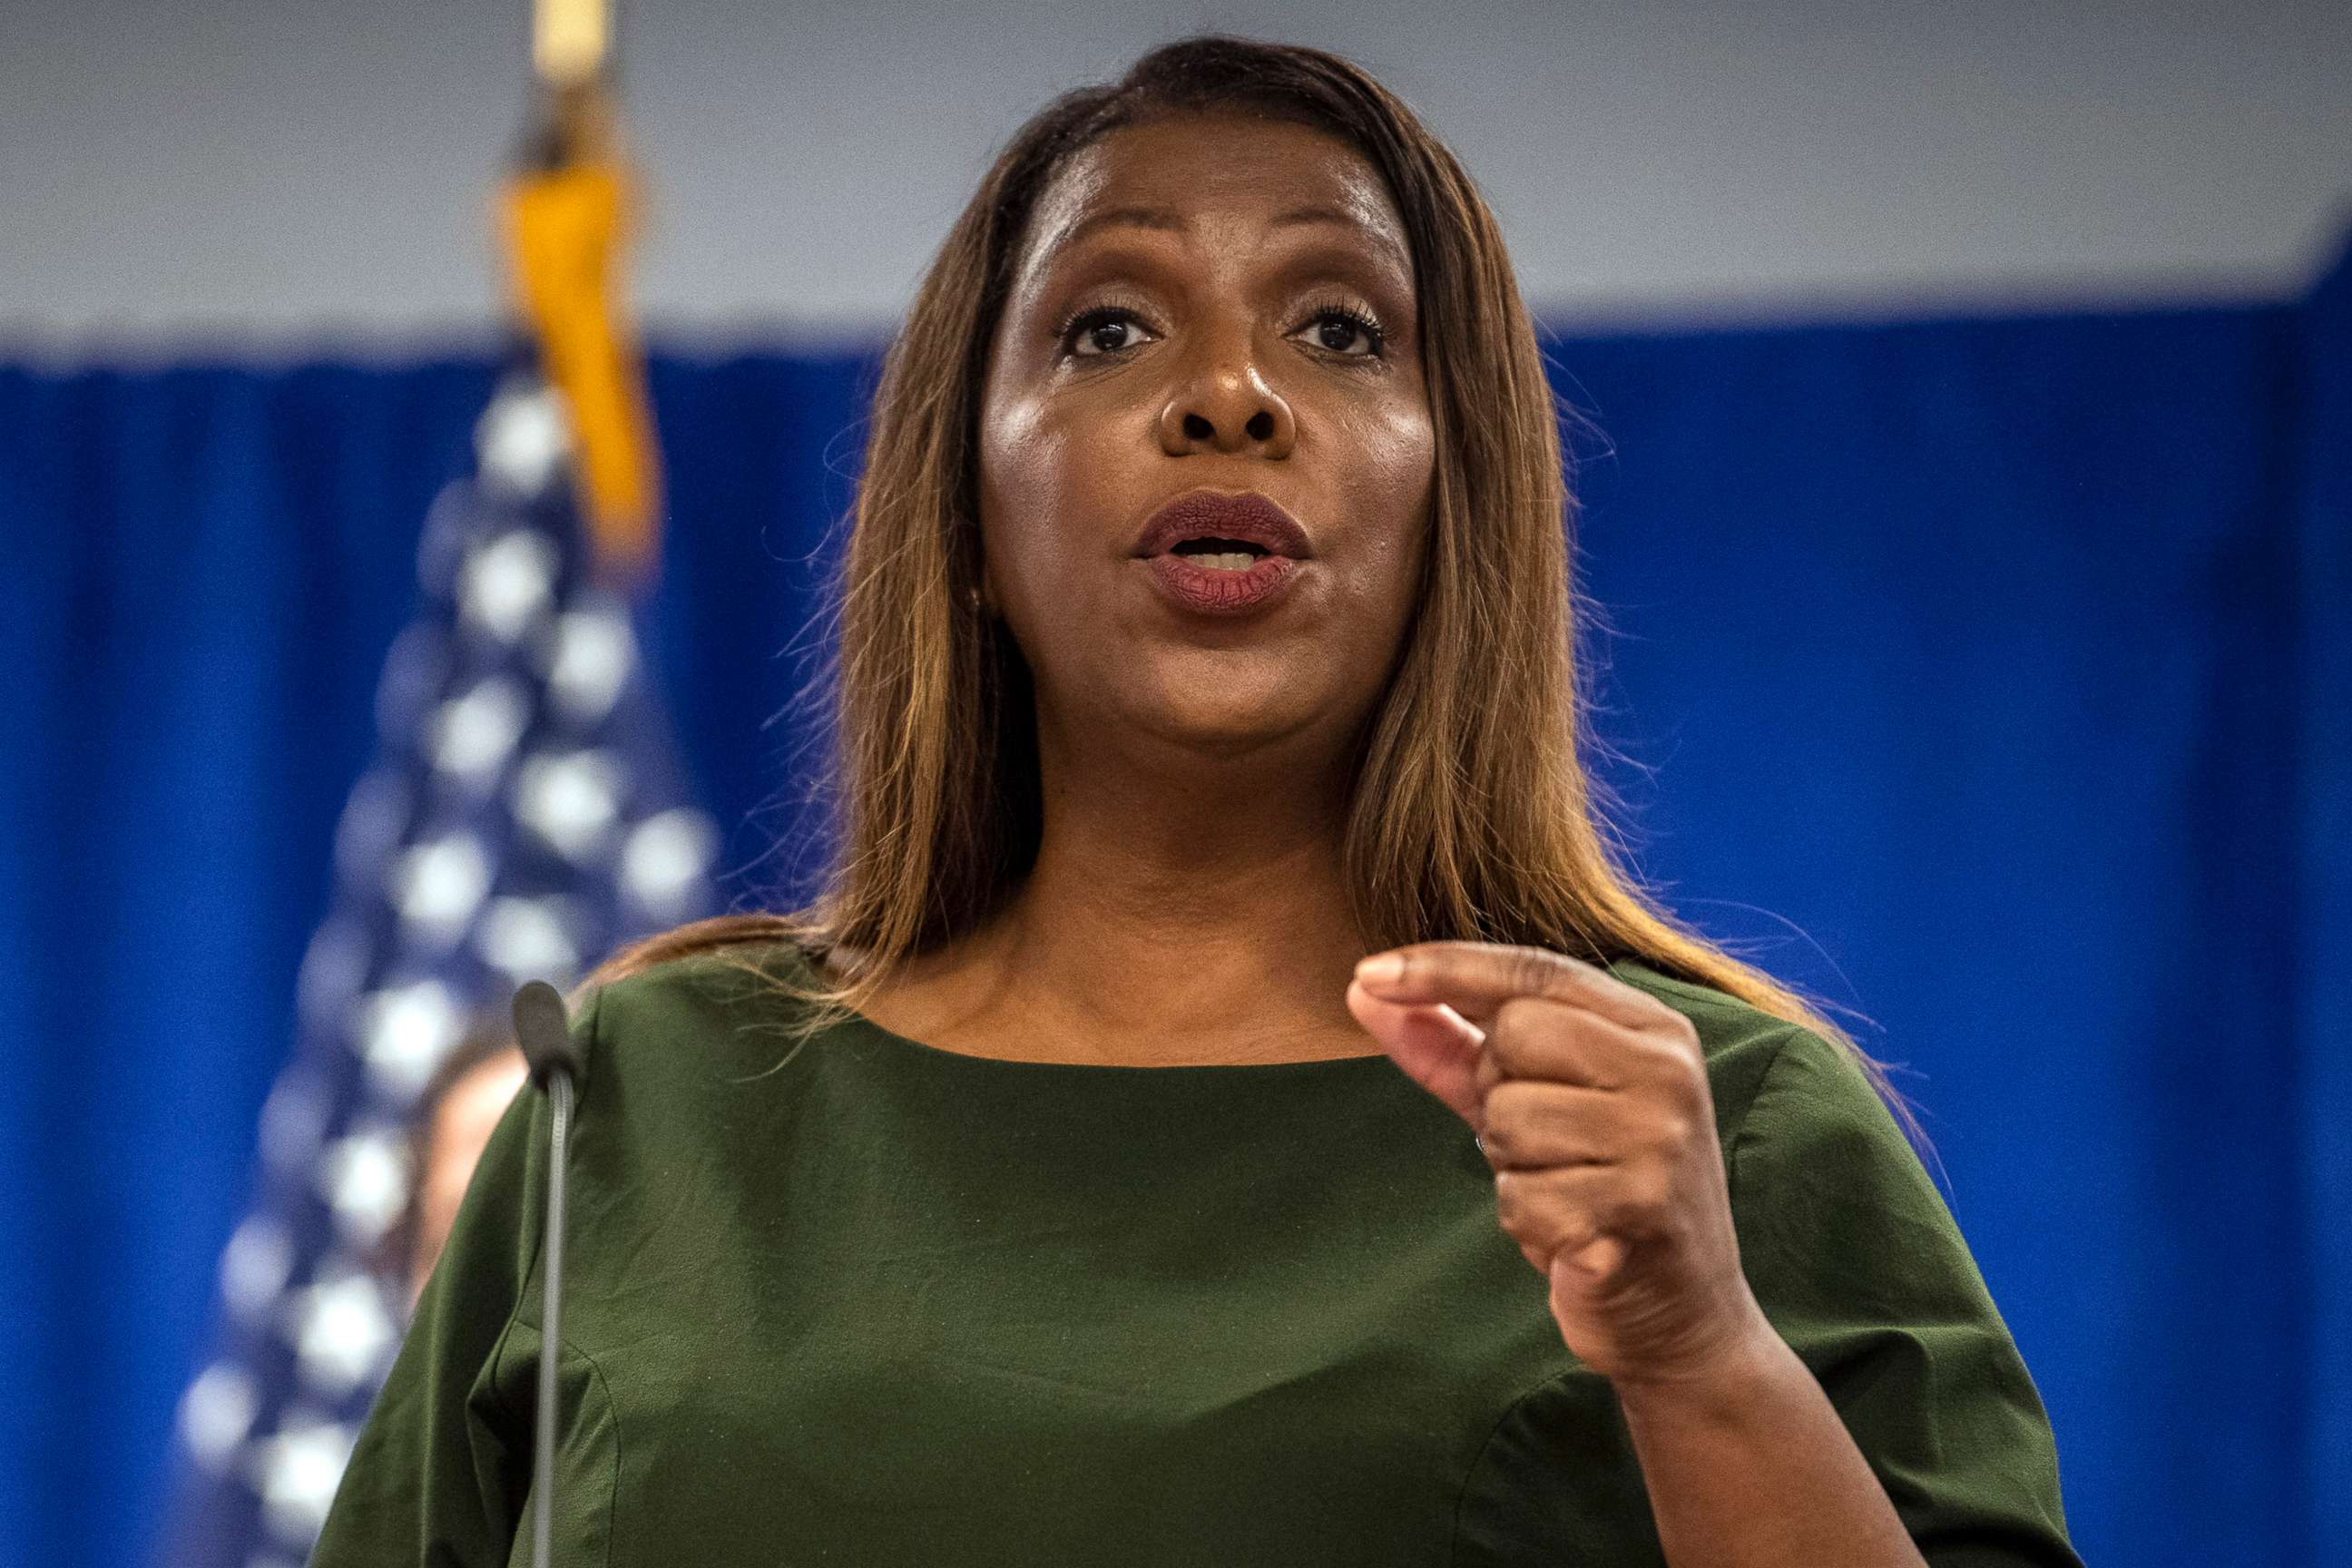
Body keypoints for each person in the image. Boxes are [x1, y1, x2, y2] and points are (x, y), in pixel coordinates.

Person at [312, 34, 2081, 1566]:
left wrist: (1701, 1350)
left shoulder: (1717, 1134)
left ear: (1453, 501)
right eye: (1105, 327)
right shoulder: (629, 1112)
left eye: (1336, 327)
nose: (1229, 396)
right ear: (968, 511)